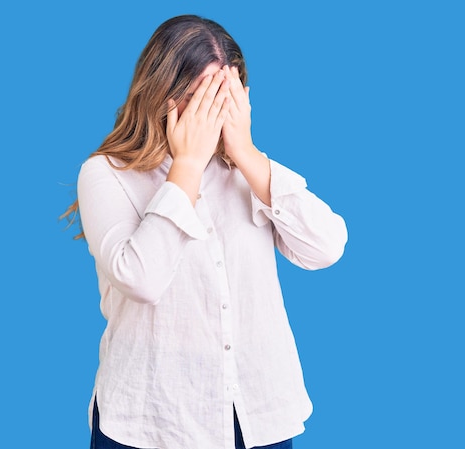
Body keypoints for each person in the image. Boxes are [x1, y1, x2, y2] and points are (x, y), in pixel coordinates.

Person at [62, 14, 348, 449]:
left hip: (256, 416)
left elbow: (326, 247)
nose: (211, 113)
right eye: (199, 98)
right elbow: (143, 279)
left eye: (223, 97)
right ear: (160, 93)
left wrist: (248, 153)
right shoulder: (105, 174)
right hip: (151, 421)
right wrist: (188, 166)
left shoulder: (247, 170)